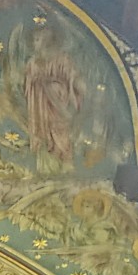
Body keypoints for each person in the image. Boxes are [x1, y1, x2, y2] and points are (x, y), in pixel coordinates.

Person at [23, 26, 83, 174]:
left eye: (39, 39)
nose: (36, 43)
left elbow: (72, 79)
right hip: (39, 104)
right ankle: (45, 167)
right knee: (42, 132)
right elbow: (27, 85)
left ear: (48, 41)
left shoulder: (61, 60)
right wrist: (33, 81)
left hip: (57, 101)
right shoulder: (33, 63)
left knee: (59, 129)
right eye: (35, 40)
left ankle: (65, 161)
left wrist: (52, 83)